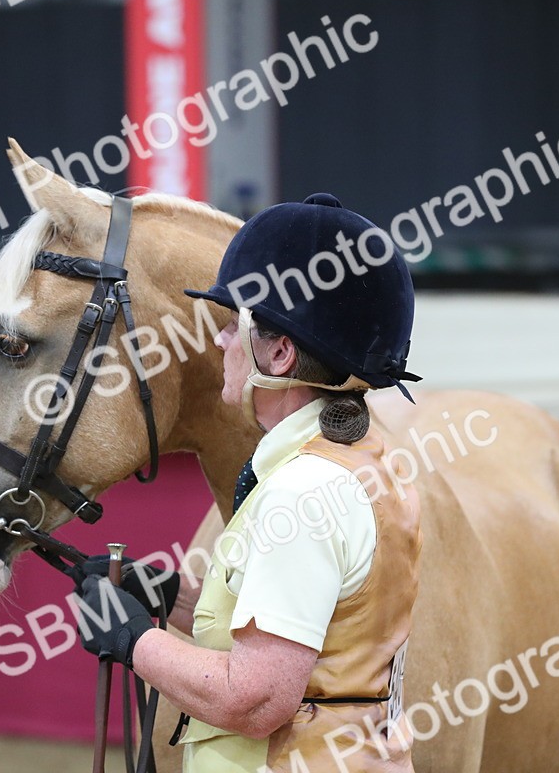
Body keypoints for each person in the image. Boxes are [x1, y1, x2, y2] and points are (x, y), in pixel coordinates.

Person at [73, 193, 424, 772]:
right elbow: (317, 638)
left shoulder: (303, 491)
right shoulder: (361, 459)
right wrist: (167, 600)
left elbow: (257, 697)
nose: (220, 342)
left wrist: (134, 641)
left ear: (280, 352)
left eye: (236, 325)